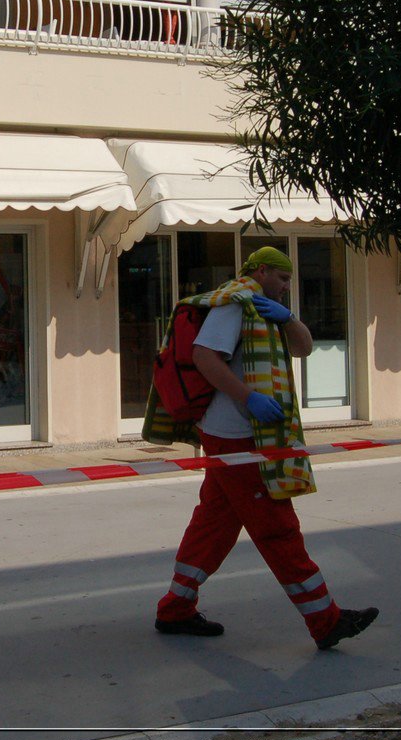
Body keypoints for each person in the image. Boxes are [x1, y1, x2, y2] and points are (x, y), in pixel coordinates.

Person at [145, 246, 378, 651]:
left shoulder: (265, 309)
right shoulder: (234, 304)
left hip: (237, 433)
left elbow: (303, 348)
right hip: (237, 434)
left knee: (213, 523)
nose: (287, 288)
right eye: (283, 279)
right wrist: (248, 397)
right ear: (263, 271)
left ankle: (175, 608)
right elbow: (204, 357)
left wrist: (288, 318)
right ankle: (326, 620)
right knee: (276, 526)